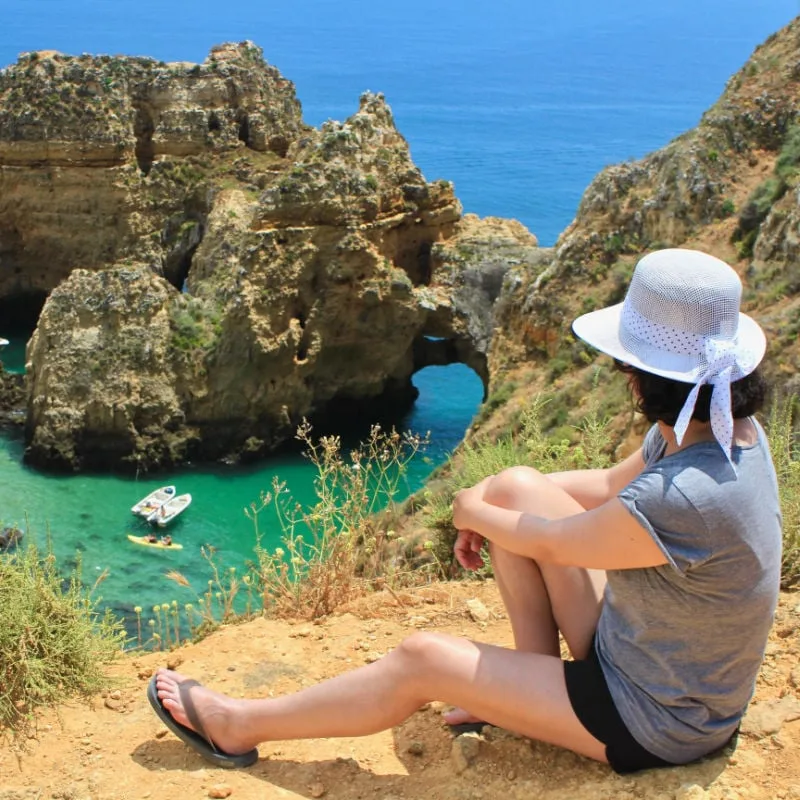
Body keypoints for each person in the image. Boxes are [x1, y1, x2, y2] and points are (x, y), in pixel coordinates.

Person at [149, 248, 782, 773]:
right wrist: (494, 497)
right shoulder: (722, 433)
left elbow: (560, 543)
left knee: (422, 658)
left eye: (627, 367)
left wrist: (470, 511)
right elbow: (607, 483)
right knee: (515, 486)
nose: (624, 377)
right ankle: (520, 692)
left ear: (646, 377)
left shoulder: (688, 498)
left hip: (656, 718)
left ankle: (237, 726)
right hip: (654, 662)